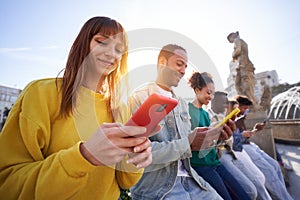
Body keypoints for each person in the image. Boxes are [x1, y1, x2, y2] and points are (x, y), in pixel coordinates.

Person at [0, 16, 153, 200]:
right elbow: (7, 185)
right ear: (83, 43)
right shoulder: (40, 93)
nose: (112, 54)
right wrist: (85, 156)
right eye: (101, 42)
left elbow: (124, 182)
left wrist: (136, 158)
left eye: (119, 49)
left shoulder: (120, 108)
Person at [129, 44, 235, 200]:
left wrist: (216, 138)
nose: (183, 70)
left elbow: (191, 144)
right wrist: (188, 144)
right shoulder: (139, 98)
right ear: (162, 62)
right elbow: (135, 155)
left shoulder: (182, 104)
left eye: (185, 66)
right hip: (158, 188)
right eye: (179, 64)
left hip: (192, 180)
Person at [188, 72, 250, 200]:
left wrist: (221, 135)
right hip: (200, 165)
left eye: (212, 93)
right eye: (208, 92)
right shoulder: (186, 111)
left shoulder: (205, 114)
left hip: (215, 161)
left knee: (243, 196)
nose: (210, 97)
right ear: (197, 90)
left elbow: (210, 142)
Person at [234, 95, 293, 200]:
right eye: (244, 108)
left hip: (249, 145)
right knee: (269, 171)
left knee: (275, 165)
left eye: (247, 109)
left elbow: (245, 135)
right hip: (242, 149)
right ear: (237, 106)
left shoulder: (241, 118)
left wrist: (255, 129)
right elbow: (234, 141)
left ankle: (283, 195)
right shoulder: (233, 119)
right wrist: (242, 131)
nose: (246, 111)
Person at [220, 99, 272, 200]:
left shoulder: (238, 120)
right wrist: (242, 135)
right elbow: (231, 142)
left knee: (261, 177)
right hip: (234, 152)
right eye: (236, 110)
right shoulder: (228, 121)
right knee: (256, 183)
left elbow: (238, 139)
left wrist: (252, 131)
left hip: (238, 150)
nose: (239, 112)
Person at [227, 31, 258, 110]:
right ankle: (250, 105)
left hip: (244, 66)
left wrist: (233, 55)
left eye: (230, 39)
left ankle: (252, 105)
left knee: (244, 87)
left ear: (232, 36)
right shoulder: (243, 42)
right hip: (243, 66)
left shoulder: (237, 40)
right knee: (240, 86)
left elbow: (238, 50)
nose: (230, 41)